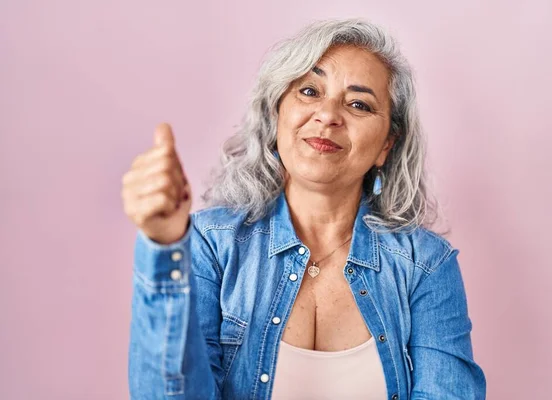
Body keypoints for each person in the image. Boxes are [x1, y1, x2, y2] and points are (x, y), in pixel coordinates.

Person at [122, 18, 486, 400]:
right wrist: (164, 247)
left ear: (386, 146)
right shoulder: (210, 245)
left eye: (358, 103)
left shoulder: (425, 265)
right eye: (310, 91)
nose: (328, 115)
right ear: (277, 115)